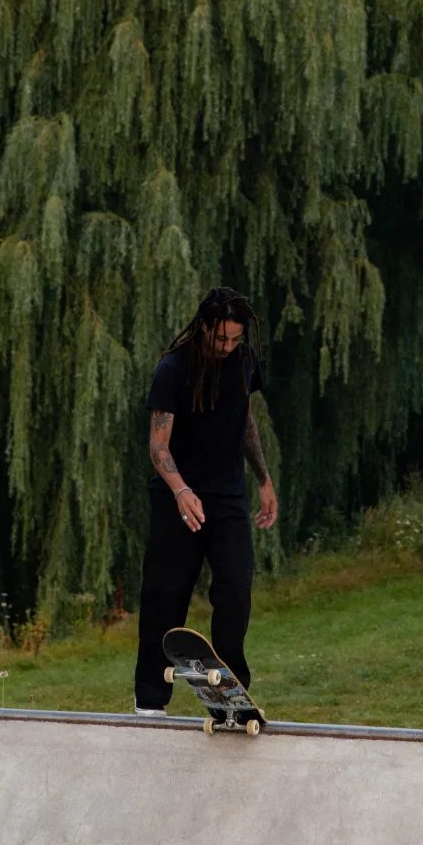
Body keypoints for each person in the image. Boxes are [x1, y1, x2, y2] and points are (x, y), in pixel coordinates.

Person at [133, 287, 277, 716]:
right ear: (203, 328)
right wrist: (181, 490)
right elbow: (159, 447)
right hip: (178, 502)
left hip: (228, 499)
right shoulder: (172, 370)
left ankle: (230, 697)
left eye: (235, 340)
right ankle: (149, 702)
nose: (227, 348)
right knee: (165, 599)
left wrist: (264, 479)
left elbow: (245, 421)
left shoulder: (244, 362)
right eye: (220, 339)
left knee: (235, 592)